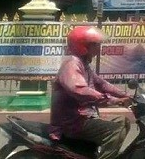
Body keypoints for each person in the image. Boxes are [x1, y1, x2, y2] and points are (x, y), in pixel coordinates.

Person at [50, 26, 132, 159]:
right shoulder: (72, 64)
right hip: (72, 122)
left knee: (122, 122)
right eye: (95, 45)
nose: (98, 48)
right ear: (83, 46)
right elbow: (79, 90)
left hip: (82, 118)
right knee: (115, 131)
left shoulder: (84, 64)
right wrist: (113, 100)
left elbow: (101, 84)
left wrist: (124, 95)